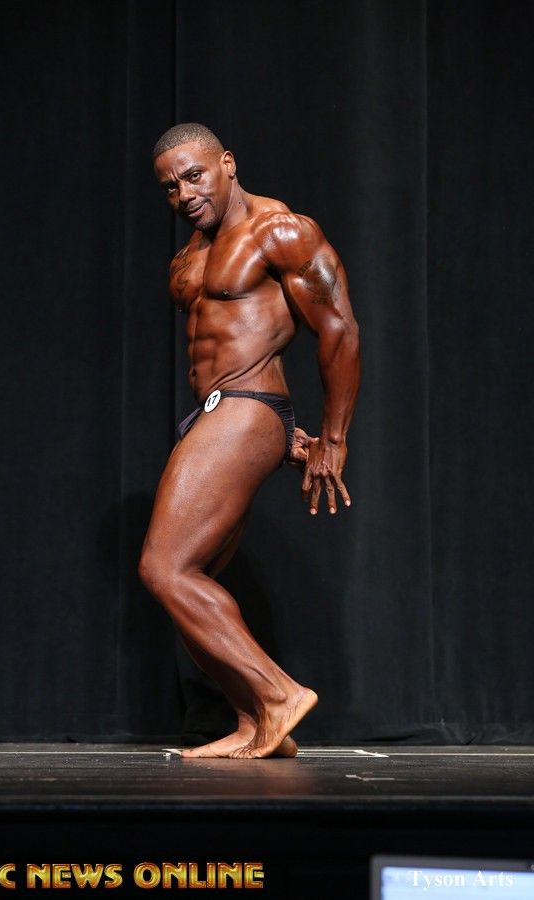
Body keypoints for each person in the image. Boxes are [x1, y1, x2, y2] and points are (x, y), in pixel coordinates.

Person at [138, 123, 360, 759]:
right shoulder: (189, 255)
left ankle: (278, 694)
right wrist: (285, 436)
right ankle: (255, 719)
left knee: (163, 567)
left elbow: (339, 331)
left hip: (246, 407)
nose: (185, 193)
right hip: (221, 412)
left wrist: (333, 438)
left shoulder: (280, 231)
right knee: (192, 579)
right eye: (171, 186)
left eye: (194, 175)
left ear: (228, 163)